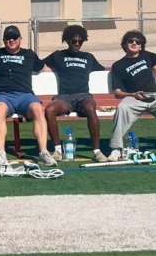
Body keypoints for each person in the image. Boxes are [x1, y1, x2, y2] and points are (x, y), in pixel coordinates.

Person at [0, 25, 57, 167]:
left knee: (38, 109)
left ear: (20, 39)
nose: (11, 40)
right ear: (3, 40)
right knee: (0, 110)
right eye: (8, 38)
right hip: (4, 96)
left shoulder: (29, 54)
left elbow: (43, 67)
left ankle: (43, 152)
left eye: (14, 37)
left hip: (25, 96)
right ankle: (1, 153)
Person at [108, 30, 156, 161]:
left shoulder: (147, 56)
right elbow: (117, 93)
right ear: (125, 44)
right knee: (122, 108)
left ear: (141, 46)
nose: (134, 43)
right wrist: (133, 94)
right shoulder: (118, 66)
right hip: (134, 98)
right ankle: (116, 149)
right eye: (131, 41)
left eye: (138, 41)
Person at [43, 25, 108, 163]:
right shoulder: (58, 55)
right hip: (64, 98)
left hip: (83, 96)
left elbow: (103, 72)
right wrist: (46, 69)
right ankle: (57, 150)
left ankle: (97, 151)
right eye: (74, 41)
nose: (77, 44)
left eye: (80, 41)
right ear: (67, 41)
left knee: (91, 108)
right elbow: (38, 64)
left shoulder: (88, 57)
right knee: (49, 109)